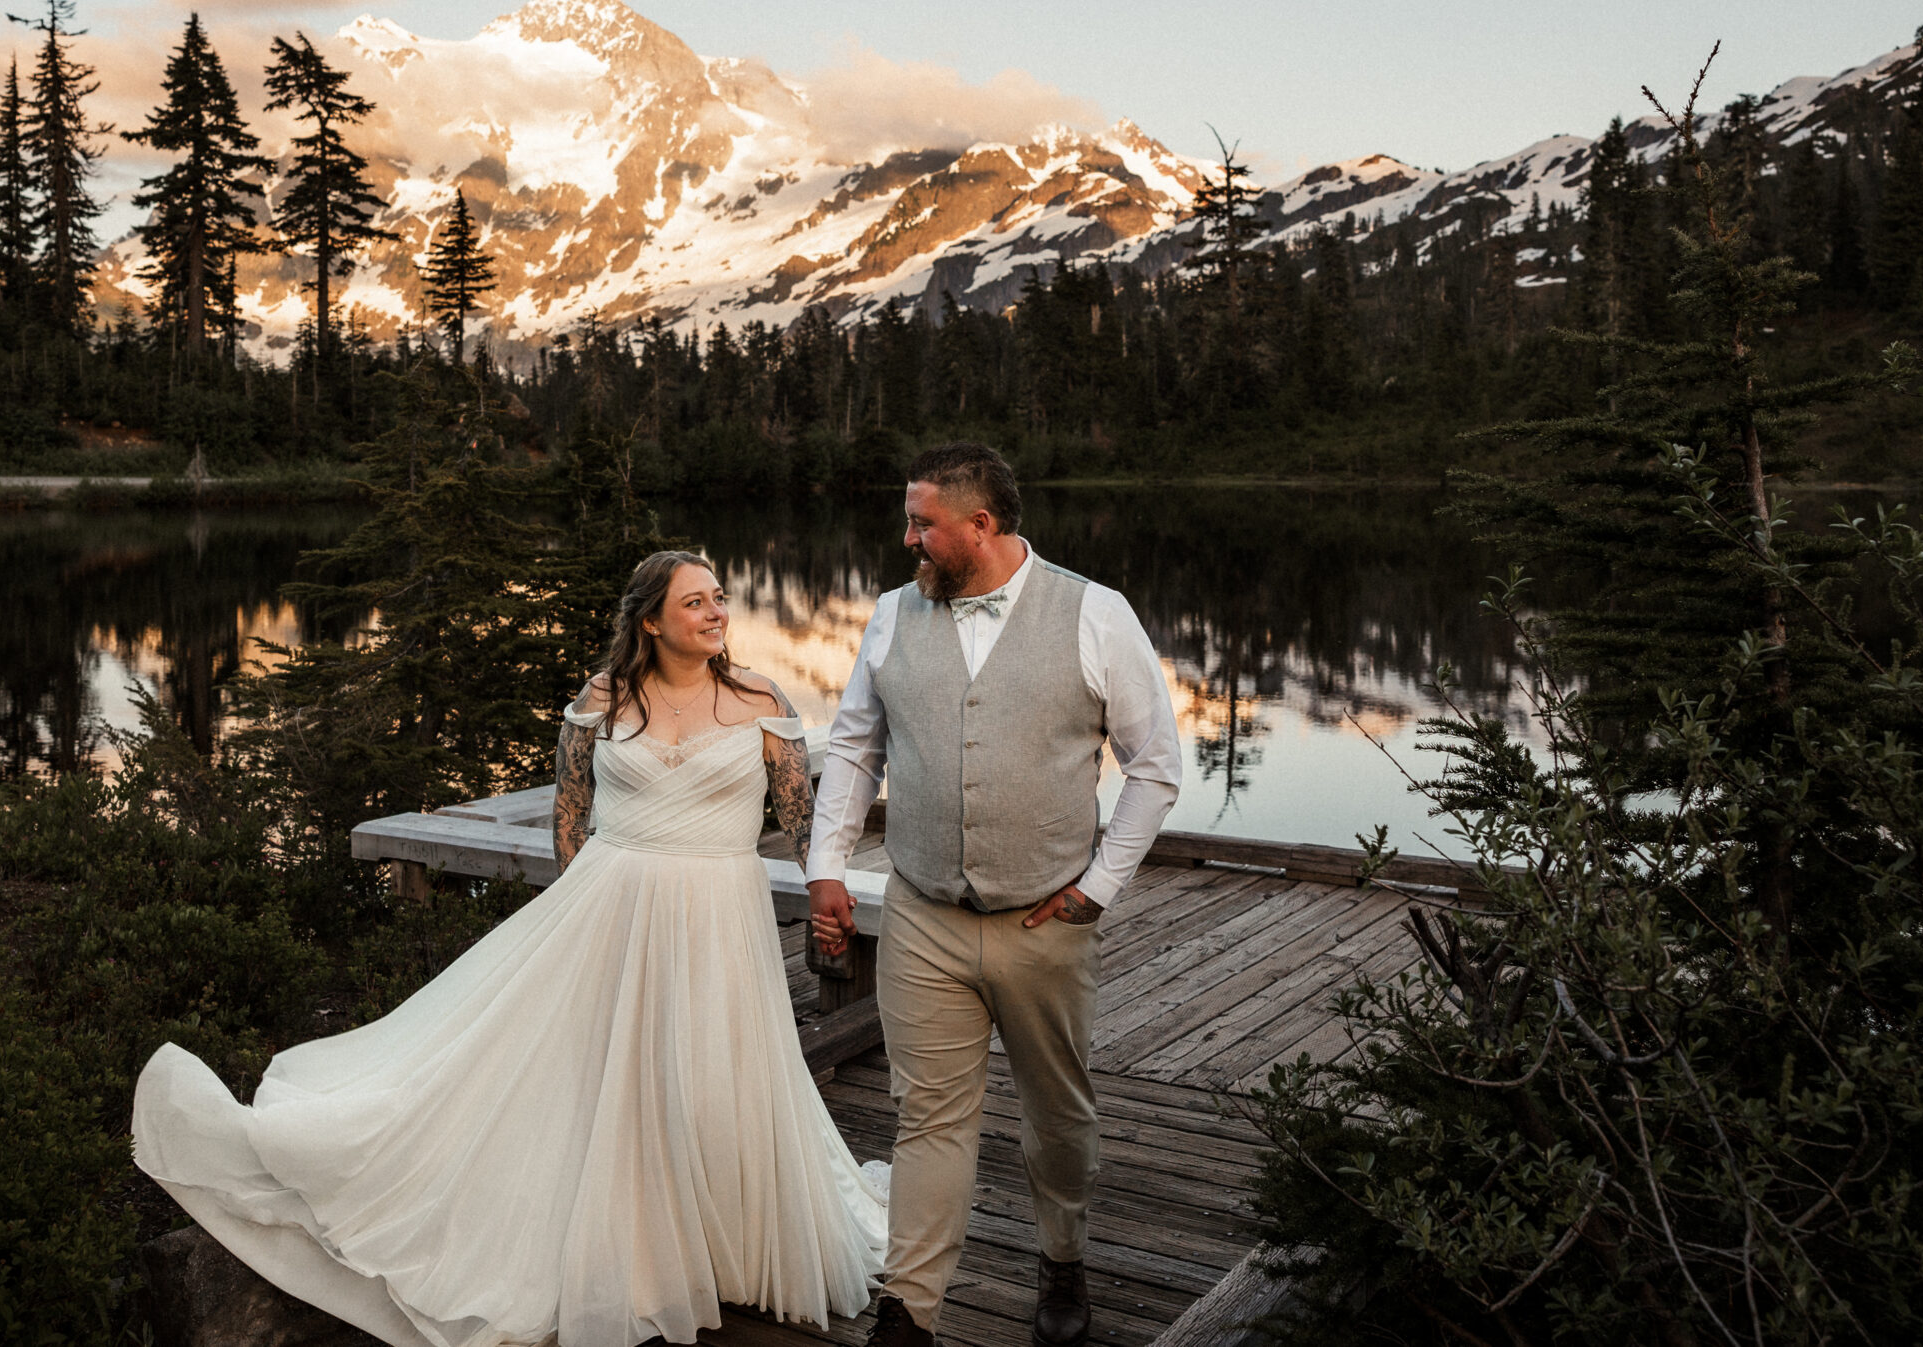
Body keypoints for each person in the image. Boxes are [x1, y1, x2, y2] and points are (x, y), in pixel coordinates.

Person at [132, 551, 889, 1347]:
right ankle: (637, 1245)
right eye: (695, 601)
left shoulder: (759, 700)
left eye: (719, 598)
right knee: (610, 1079)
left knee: (715, 1073)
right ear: (650, 620)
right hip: (610, 905)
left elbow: (804, 817)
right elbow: (572, 812)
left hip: (720, 911)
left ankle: (731, 1243)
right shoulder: (601, 700)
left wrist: (824, 890)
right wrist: (575, 914)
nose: (716, 612)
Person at [808, 443, 1182, 1347]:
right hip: (924, 917)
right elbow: (856, 747)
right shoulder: (894, 615)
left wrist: (1097, 888)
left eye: (923, 523)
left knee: (1059, 1118)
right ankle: (910, 1313)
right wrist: (826, 862)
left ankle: (1062, 1253)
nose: (908, 540)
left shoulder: (1095, 613)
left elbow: (1157, 767)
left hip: (1046, 923)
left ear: (982, 525)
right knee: (928, 1115)